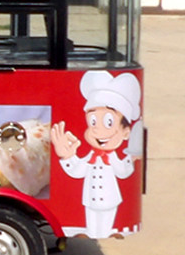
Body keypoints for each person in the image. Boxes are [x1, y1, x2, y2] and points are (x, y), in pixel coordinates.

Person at [50, 71, 141, 238]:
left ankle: (108, 232)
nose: (96, 130)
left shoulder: (112, 158)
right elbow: (78, 171)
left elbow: (122, 171)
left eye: (108, 122)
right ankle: (91, 233)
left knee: (106, 218)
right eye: (93, 122)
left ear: (126, 132)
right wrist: (67, 156)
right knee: (92, 220)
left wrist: (132, 158)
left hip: (110, 198)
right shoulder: (91, 156)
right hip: (90, 198)